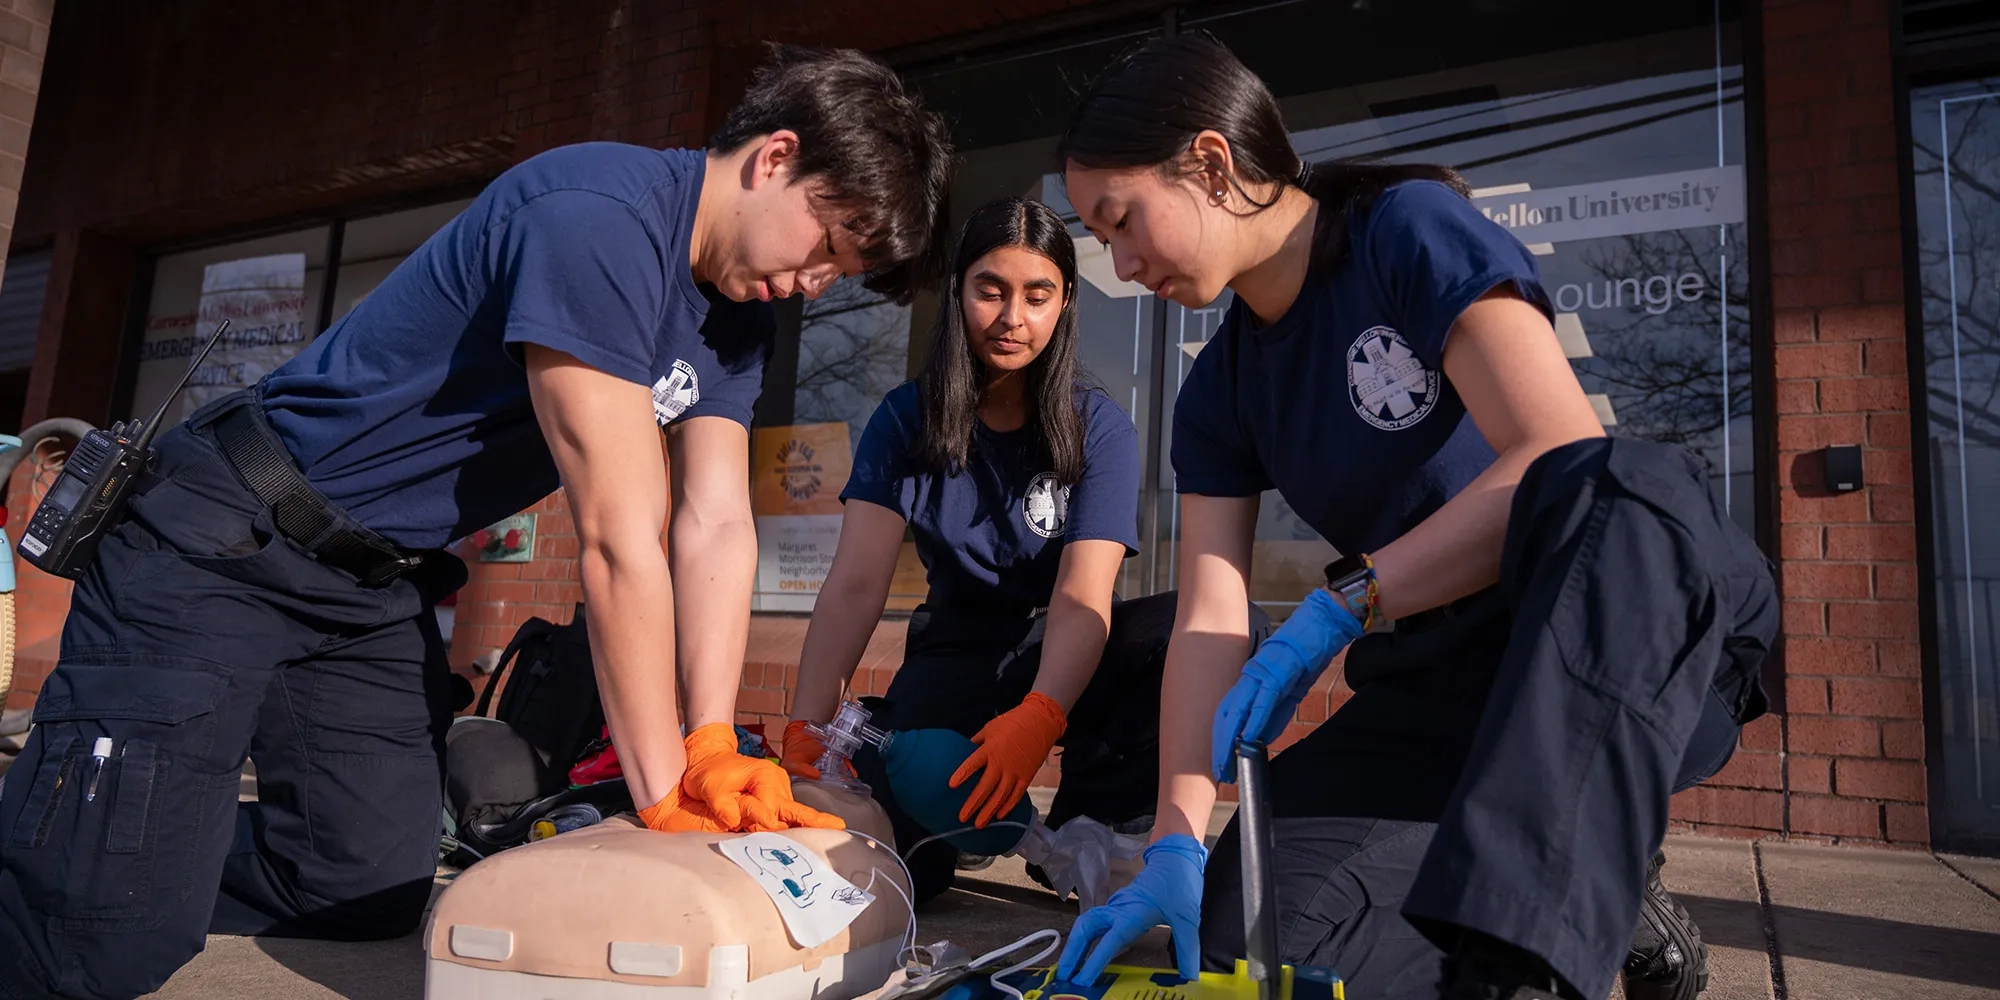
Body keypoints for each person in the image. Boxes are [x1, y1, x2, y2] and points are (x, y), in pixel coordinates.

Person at [0, 44, 953, 1000]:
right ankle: (77, 871)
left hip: (368, 585)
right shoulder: (599, 218)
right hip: (226, 536)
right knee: (102, 945)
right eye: (827, 244)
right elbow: (622, 537)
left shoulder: (733, 316)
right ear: (775, 157)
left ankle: (91, 852)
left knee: (358, 890)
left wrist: (710, 743)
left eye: (844, 273)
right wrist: (661, 788)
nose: (817, 282)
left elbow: (713, 523)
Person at [1049, 33, 1776, 1000]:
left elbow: (1553, 451)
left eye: (1121, 220)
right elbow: (1210, 618)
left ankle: (1545, 923)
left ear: (1212, 163)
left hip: (1614, 635)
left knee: (1622, 478)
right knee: (1256, 932)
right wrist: (1179, 838)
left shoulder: (1405, 229)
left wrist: (1347, 603)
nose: (1121, 260)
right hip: (1440, 681)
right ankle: (1574, 890)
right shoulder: (1219, 387)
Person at [781, 197, 1236, 905]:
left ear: (1064, 304)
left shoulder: (1098, 428)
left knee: (1192, 629)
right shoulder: (906, 418)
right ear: (960, 290)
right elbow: (855, 583)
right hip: (956, 654)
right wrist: (806, 729)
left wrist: (1043, 712)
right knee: (907, 872)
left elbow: (1084, 594)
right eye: (990, 290)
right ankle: (880, 741)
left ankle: (1096, 821)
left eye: (1037, 295)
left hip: (1073, 650)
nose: (1011, 317)